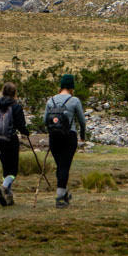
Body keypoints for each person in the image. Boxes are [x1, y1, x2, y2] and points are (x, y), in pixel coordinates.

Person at [41, 73, 87, 208]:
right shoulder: (74, 101)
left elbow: (44, 120)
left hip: (54, 138)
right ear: (72, 87)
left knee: (60, 166)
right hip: (69, 136)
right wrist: (83, 136)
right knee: (64, 166)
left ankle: (65, 192)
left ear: (60, 86)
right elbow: (82, 121)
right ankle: (60, 197)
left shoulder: (50, 101)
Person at [0, 81, 28, 206]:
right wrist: (26, 132)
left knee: (6, 170)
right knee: (13, 172)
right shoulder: (16, 107)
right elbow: (21, 125)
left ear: (3, 93)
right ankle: (4, 187)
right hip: (11, 140)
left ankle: (8, 197)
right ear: (15, 93)